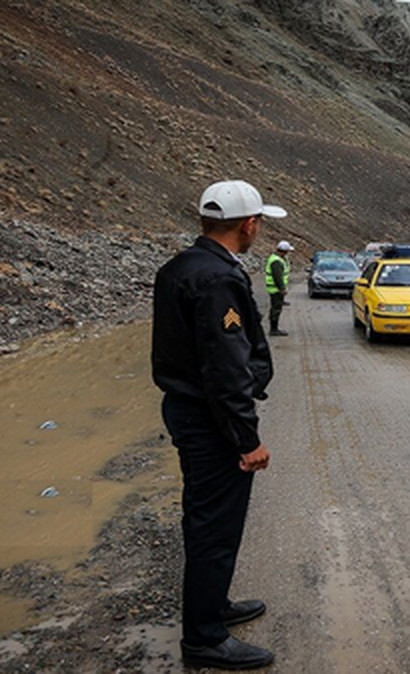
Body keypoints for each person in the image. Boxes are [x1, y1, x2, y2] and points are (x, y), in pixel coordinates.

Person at [151, 179, 285, 670]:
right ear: (249, 224)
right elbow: (224, 369)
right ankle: (204, 638)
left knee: (206, 520)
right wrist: (247, 440)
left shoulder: (181, 267)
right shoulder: (218, 279)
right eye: (259, 223)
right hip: (210, 421)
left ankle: (214, 606)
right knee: (215, 526)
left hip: (189, 411)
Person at [264, 241, 294, 336]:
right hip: (275, 289)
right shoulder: (276, 261)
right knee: (276, 309)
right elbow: (277, 276)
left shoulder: (277, 258)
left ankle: (274, 328)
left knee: (276, 307)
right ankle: (273, 329)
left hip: (275, 288)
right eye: (287, 251)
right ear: (283, 251)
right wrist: (282, 289)